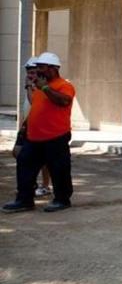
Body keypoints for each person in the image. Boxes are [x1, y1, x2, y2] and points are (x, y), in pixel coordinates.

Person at [3, 52, 76, 213]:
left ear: (53, 68)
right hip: (34, 138)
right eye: (38, 68)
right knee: (24, 166)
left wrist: (45, 87)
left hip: (56, 137)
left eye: (42, 67)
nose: (39, 71)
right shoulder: (40, 86)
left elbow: (63, 101)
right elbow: (34, 103)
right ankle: (24, 200)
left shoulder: (64, 85)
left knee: (59, 169)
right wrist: (30, 86)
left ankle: (62, 199)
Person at [12, 57, 53, 198]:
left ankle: (45, 185)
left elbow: (33, 101)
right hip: (27, 124)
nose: (30, 75)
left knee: (43, 159)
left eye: (33, 72)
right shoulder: (31, 84)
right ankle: (31, 183)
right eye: (28, 71)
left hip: (39, 126)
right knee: (18, 152)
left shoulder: (40, 86)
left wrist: (29, 86)